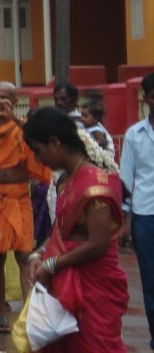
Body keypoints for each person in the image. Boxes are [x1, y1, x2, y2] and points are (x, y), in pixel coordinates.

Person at [24, 106, 128, 352]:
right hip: (69, 281)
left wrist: (52, 264)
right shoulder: (67, 179)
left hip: (93, 285)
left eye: (38, 152)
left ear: (55, 142)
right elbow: (60, 228)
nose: (38, 160)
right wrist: (39, 254)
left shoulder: (94, 183)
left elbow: (98, 243)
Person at [0, 81, 52, 334]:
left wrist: (14, 119)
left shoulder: (21, 129)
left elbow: (37, 147)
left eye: (6, 98)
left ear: (15, 102)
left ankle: (28, 311)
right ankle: (2, 314)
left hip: (19, 198)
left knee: (25, 256)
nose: (0, 102)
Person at [121, 72, 154, 351]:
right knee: (150, 281)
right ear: (147, 99)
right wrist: (123, 220)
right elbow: (125, 181)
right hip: (145, 217)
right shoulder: (134, 135)